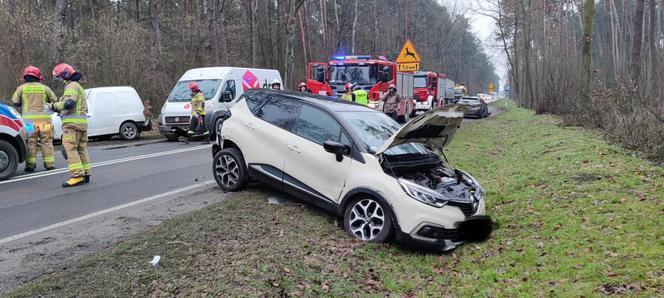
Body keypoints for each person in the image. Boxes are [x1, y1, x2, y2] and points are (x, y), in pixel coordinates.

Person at [11, 65, 58, 172]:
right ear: (38, 76)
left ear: (25, 76)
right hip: (44, 121)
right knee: (46, 141)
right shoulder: (45, 88)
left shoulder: (21, 88)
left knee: (31, 142)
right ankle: (49, 164)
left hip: (29, 123)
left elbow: (15, 102)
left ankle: (30, 165)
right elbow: (55, 100)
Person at [50, 63, 90, 187]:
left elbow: (68, 104)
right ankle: (86, 173)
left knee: (69, 148)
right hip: (81, 125)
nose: (60, 80)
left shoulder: (71, 86)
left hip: (72, 125)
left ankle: (77, 175)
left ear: (66, 74)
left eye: (60, 77)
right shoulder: (78, 86)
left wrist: (52, 106)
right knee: (81, 149)